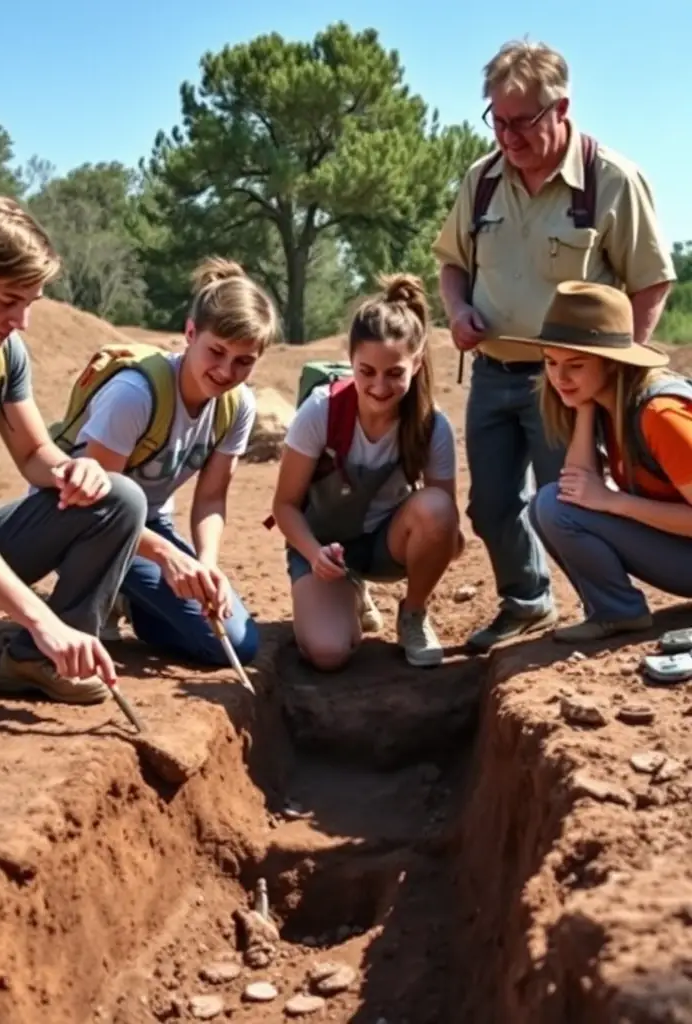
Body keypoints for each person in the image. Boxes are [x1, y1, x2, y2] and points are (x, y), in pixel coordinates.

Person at [432, 38, 676, 653]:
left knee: (566, 501)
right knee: (490, 507)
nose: (507, 137)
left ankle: (604, 609)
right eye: (497, 120)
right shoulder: (481, 181)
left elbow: (652, 280)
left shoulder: (613, 180)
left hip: (568, 381)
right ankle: (526, 601)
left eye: (522, 121)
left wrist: (617, 370)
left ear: (560, 107)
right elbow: (452, 263)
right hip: (492, 370)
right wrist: (458, 308)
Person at [0, 193, 147, 714]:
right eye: (8, 301)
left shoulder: (0, 351)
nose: (21, 320)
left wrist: (74, 469)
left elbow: (32, 455)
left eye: (31, 303)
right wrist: (40, 618)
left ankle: (38, 662)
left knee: (118, 497)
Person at [68, 257, 280, 668]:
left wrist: (206, 565)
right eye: (216, 351)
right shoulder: (135, 394)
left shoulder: (237, 406)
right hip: (84, 526)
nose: (225, 371)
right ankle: (107, 587)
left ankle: (136, 601)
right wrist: (167, 557)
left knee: (236, 643)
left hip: (151, 524)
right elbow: (97, 506)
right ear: (189, 333)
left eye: (244, 361)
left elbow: (212, 498)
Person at [271, 273, 461, 670]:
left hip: (383, 545)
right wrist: (314, 554)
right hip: (321, 546)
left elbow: (445, 514)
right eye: (366, 371)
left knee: (439, 513)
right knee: (327, 652)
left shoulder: (431, 426)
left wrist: (442, 542)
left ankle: (413, 614)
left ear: (417, 363)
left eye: (395, 373)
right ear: (350, 361)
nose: (379, 386)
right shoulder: (320, 412)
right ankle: (350, 591)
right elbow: (285, 506)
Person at [502, 279, 692, 644]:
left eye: (575, 364)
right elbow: (577, 489)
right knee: (555, 502)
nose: (559, 377)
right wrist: (585, 407)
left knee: (556, 505)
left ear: (613, 364)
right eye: (551, 362)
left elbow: (594, 499)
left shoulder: (660, 414)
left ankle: (617, 612)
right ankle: (616, 613)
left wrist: (615, 502)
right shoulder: (605, 402)